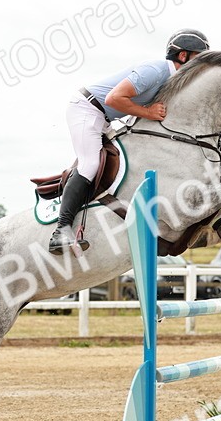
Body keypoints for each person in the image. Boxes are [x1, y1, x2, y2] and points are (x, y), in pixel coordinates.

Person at [49, 28, 211, 253]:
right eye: (199, 58)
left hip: (104, 117)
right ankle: (61, 231)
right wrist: (148, 112)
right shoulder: (155, 70)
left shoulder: (171, 80)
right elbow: (113, 98)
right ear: (183, 56)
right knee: (90, 164)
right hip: (87, 109)